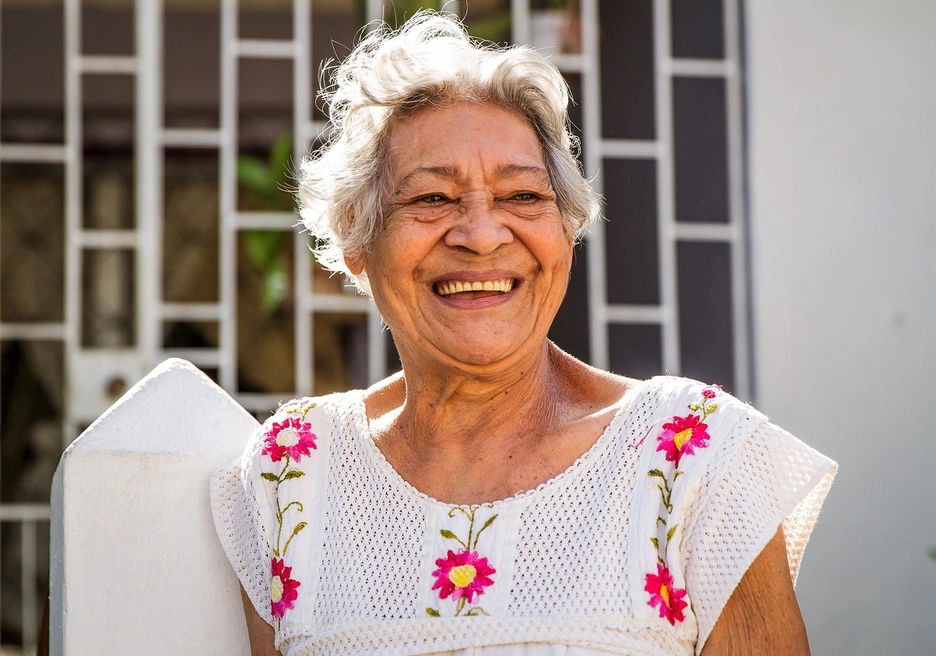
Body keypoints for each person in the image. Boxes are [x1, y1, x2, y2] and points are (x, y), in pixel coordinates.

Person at [210, 11, 836, 656]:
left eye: (522, 197)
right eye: (431, 200)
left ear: (564, 233)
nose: (481, 235)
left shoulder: (694, 457)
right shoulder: (293, 472)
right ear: (356, 241)